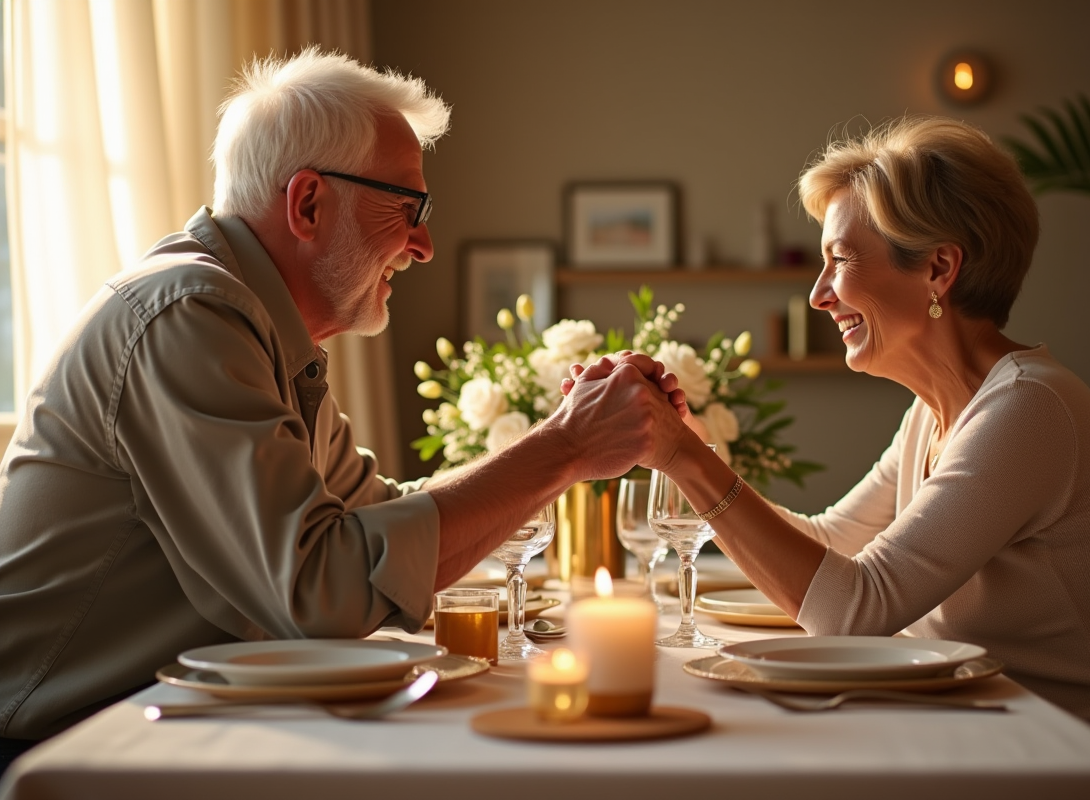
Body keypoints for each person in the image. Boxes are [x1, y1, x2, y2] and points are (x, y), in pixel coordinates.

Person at [0, 48, 683, 764]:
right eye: (407, 208)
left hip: (165, 726)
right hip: (59, 748)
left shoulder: (254, 326)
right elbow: (320, 591)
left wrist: (565, 438)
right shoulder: (191, 314)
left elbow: (378, 519)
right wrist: (565, 447)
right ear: (308, 203)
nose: (423, 245)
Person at [576, 117, 1090, 795]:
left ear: (938, 267)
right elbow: (828, 545)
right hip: (1003, 731)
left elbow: (854, 610)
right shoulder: (940, 409)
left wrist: (689, 466)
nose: (817, 294)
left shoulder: (1027, 410)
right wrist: (693, 450)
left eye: (840, 260)